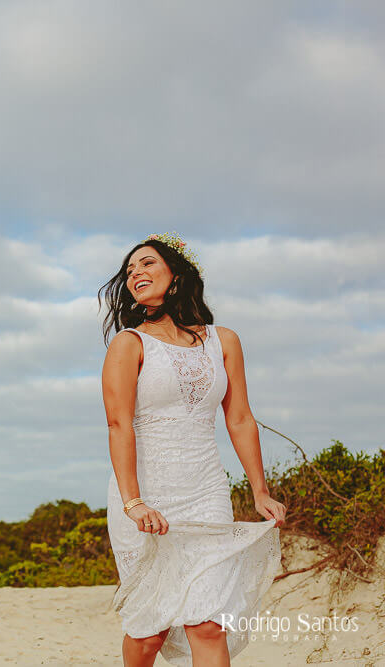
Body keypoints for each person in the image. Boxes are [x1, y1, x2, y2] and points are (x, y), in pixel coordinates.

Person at [99, 234, 286, 666]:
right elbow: (118, 423)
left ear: (178, 273)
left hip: (206, 491)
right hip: (146, 495)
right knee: (150, 631)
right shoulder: (130, 344)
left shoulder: (225, 342)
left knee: (207, 622)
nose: (135, 274)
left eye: (146, 264)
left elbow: (239, 417)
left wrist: (260, 491)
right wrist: (133, 501)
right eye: (129, 271)